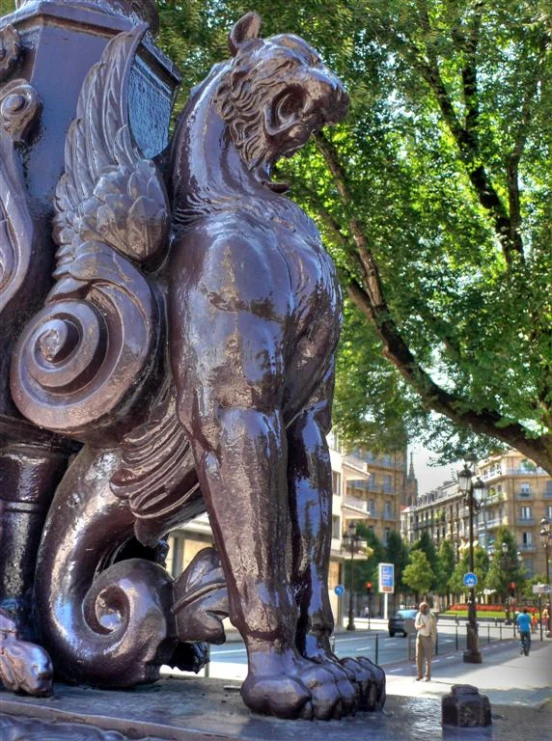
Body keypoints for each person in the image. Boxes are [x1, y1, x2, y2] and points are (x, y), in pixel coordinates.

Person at [414, 602, 437, 681]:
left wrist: (433, 638)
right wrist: (420, 626)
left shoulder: (431, 616)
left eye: (424, 607)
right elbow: (416, 625)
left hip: (428, 637)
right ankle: (419, 675)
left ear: (427, 608)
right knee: (418, 657)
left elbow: (434, 627)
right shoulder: (419, 615)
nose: (422, 609)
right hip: (420, 637)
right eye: (421, 608)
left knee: (428, 658)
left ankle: (428, 675)